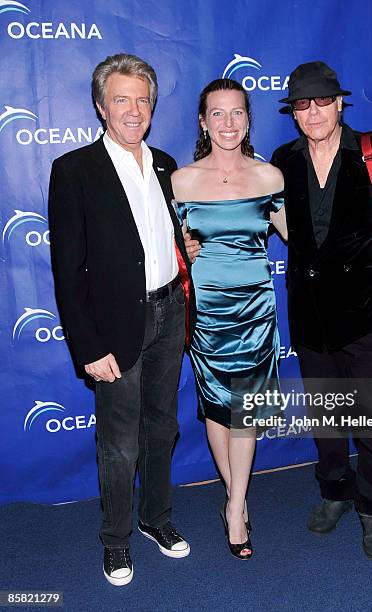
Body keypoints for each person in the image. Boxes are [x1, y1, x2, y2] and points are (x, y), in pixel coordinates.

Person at [271, 61, 372, 559]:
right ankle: (335, 491)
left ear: (340, 103)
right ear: (294, 113)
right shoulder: (284, 160)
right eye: (302, 103)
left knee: (370, 419)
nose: (313, 111)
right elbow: (278, 223)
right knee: (326, 417)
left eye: (322, 100)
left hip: (370, 314)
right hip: (312, 316)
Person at [48, 54, 195, 586]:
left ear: (152, 107)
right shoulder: (74, 170)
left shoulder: (165, 165)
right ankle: (115, 541)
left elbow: (166, 239)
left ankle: (157, 521)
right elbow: (68, 270)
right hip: (114, 328)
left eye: (142, 100)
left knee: (163, 428)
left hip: (170, 312)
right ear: (100, 107)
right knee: (119, 442)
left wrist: (186, 254)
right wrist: (87, 345)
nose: (134, 110)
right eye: (121, 99)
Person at [171, 78, 287, 560]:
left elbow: (305, 238)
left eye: (237, 112)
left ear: (248, 119)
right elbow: (165, 251)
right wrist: (184, 248)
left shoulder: (269, 177)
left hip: (255, 310)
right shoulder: (180, 181)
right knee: (219, 408)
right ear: (202, 121)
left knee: (245, 411)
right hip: (205, 313)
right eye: (217, 114)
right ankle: (233, 497)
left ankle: (236, 506)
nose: (227, 123)